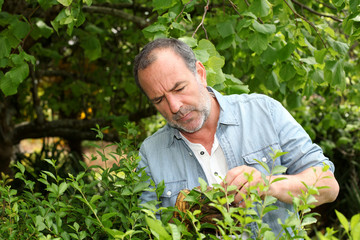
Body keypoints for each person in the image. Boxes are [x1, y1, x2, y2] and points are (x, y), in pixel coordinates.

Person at [133, 38, 339, 236]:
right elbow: (145, 230)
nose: (174, 106)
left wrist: (267, 185)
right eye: (159, 99)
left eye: (179, 88)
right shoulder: (151, 153)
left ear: (200, 73)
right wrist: (183, 218)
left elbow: (329, 186)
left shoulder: (264, 112)